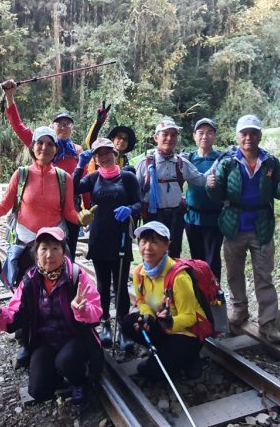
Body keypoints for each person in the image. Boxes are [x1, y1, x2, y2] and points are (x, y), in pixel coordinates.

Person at [0, 126, 96, 367]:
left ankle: (63, 335)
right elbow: (4, 206)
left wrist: (81, 218)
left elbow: (69, 212)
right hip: (25, 244)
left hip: (53, 244)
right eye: (40, 143)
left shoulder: (64, 179)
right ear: (33, 147)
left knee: (61, 291)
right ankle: (27, 343)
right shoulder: (21, 175)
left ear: (56, 149)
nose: (44, 148)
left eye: (50, 144)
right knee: (23, 297)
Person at [0, 227, 103, 410]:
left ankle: (79, 381)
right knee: (38, 391)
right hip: (46, 341)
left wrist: (83, 309)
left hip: (75, 337)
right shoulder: (30, 281)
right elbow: (15, 314)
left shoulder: (76, 276)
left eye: (55, 248)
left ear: (64, 252)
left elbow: (97, 312)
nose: (50, 255)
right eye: (44, 249)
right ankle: (58, 370)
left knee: (66, 361)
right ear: (36, 253)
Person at [206, 114, 280, 346]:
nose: (248, 138)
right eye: (244, 133)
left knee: (264, 275)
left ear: (259, 136)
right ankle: (240, 311)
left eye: (253, 133)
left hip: (262, 227)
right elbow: (217, 193)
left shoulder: (271, 162)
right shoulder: (227, 161)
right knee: (234, 273)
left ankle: (267, 324)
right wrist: (211, 186)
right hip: (234, 225)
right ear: (237, 136)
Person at [0, 79, 86, 260]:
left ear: (72, 128)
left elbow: (85, 180)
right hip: (43, 208)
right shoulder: (42, 145)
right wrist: (9, 96)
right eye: (59, 123)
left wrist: (86, 211)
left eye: (67, 123)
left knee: (65, 254)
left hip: (70, 205)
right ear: (52, 126)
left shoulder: (78, 151)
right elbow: (18, 124)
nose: (63, 126)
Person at [73, 137, 141, 351]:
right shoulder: (92, 179)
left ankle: (123, 327)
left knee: (120, 285)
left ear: (115, 154)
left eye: (107, 152)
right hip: (99, 238)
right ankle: (104, 325)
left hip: (121, 238)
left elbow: (140, 202)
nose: (104, 156)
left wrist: (130, 209)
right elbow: (73, 188)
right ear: (96, 157)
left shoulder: (128, 177)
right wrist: (80, 165)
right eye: (99, 154)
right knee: (102, 285)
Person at [121, 221, 205, 380]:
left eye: (155, 242)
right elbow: (142, 301)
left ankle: (191, 357)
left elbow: (190, 316)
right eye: (144, 241)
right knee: (128, 324)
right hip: (162, 326)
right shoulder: (140, 272)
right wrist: (148, 317)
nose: (147, 247)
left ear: (167, 245)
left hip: (186, 333)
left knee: (151, 372)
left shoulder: (178, 277)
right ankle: (166, 351)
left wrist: (170, 322)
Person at [135, 119, 208, 258]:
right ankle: (151, 279)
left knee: (174, 253)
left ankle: (173, 279)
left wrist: (220, 167)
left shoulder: (181, 163)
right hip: (152, 215)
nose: (169, 138)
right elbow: (135, 191)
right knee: (151, 253)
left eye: (173, 135)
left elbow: (202, 180)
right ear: (156, 138)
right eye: (165, 134)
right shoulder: (145, 164)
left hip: (175, 216)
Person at [183, 118, 224, 280]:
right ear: (194, 136)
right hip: (192, 217)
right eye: (201, 133)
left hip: (215, 218)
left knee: (212, 259)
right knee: (195, 260)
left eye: (209, 133)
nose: (205, 136)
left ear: (214, 136)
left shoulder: (222, 159)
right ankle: (199, 295)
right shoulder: (188, 158)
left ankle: (215, 297)